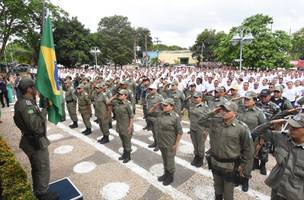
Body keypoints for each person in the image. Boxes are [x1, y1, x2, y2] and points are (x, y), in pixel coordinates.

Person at [13, 78, 58, 200]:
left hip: (31, 140)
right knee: (42, 167)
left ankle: (38, 190)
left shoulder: (24, 102)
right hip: (35, 142)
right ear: (29, 89)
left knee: (37, 168)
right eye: (34, 87)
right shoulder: (26, 105)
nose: (36, 89)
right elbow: (35, 126)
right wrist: (44, 110)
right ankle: (42, 194)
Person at [199, 101, 254, 200]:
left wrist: (243, 165)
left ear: (235, 113)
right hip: (215, 162)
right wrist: (214, 112)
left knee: (228, 192)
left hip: (230, 166)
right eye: (223, 109)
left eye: (227, 110)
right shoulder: (215, 121)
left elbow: (248, 149)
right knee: (217, 187)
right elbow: (200, 121)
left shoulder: (241, 128)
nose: (224, 112)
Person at [252, 113, 304, 200]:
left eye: (296, 128)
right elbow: (254, 133)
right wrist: (270, 123)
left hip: (295, 195)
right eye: (290, 125)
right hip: (277, 190)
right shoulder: (282, 137)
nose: (291, 129)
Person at [237, 91, 266, 192]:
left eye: (248, 99)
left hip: (251, 141)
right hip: (238, 139)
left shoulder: (259, 112)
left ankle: (245, 179)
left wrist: (261, 141)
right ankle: (238, 177)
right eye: (245, 99)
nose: (245, 101)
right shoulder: (241, 109)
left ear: (254, 101)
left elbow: (263, 127)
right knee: (238, 158)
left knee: (248, 161)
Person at [154, 98, 183, 186]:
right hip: (161, 142)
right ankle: (166, 173)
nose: (164, 106)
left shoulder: (175, 117)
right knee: (164, 159)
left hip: (170, 143)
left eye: (166, 105)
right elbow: (150, 112)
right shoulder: (161, 114)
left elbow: (180, 132)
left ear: (172, 106)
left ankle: (170, 176)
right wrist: (156, 106)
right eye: (163, 105)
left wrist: (176, 144)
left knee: (169, 160)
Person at [110, 89, 134, 163]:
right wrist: (114, 96)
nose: (119, 95)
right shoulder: (117, 102)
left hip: (126, 126)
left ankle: (128, 156)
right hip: (119, 125)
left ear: (125, 96)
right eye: (119, 94)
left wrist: (130, 127)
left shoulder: (128, 104)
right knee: (123, 141)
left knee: (127, 142)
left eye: (121, 94)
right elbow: (108, 102)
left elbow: (131, 117)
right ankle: (124, 154)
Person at [188, 92, 210, 167]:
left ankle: (200, 158)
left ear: (201, 98)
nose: (194, 98)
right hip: (192, 128)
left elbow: (208, 119)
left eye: (196, 97)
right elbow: (190, 116)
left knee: (201, 145)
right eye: (194, 97)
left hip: (201, 129)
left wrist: (206, 130)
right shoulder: (191, 105)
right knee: (195, 144)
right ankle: (196, 156)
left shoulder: (205, 107)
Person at [147, 84, 164, 151]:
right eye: (149, 89)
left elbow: (163, 107)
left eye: (151, 89)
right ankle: (155, 142)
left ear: (155, 89)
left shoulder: (160, 97)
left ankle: (158, 145)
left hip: (157, 117)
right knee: (153, 131)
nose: (149, 91)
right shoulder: (149, 96)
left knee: (157, 132)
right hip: (151, 116)